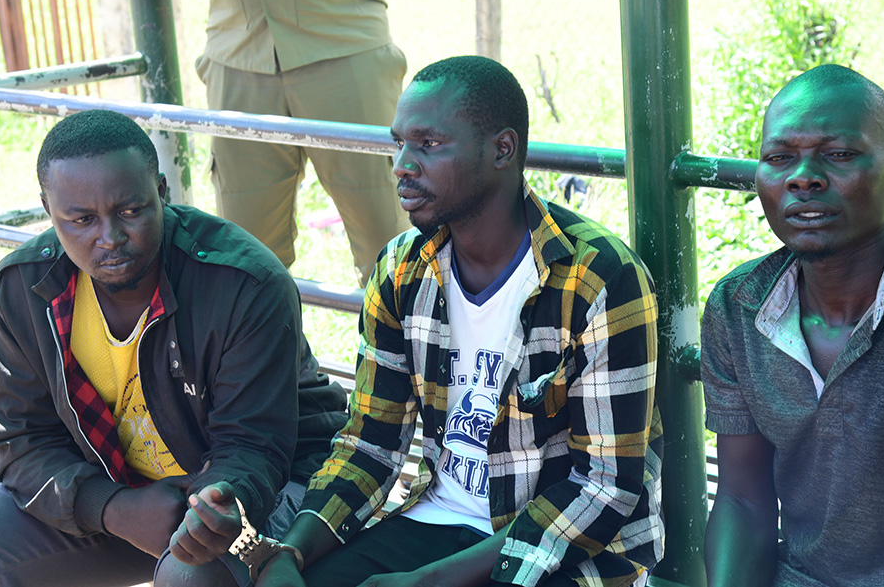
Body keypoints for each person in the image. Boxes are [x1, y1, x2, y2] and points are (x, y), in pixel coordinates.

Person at [253, 55, 665, 587]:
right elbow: (370, 444)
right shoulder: (401, 271)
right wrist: (292, 553)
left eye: (428, 145)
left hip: (568, 549)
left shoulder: (598, 279)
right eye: (399, 142)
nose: (402, 163)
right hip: (437, 521)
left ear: (502, 149)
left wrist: (425, 584)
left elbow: (604, 488)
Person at [0, 110, 347, 586]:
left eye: (131, 211)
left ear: (162, 190)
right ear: (48, 209)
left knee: (188, 576)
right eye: (82, 219)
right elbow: (22, 440)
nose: (110, 238)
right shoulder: (22, 291)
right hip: (124, 501)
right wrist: (112, 508)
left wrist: (215, 508)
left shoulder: (243, 283)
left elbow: (254, 447)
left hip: (259, 490)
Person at [701, 65, 884, 586]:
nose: (802, 178)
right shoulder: (738, 307)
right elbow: (742, 499)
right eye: (779, 158)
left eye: (840, 155)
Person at [189, 0, 442, 286]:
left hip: (344, 44)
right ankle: (267, 344)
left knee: (389, 242)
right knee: (244, 258)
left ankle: (400, 341)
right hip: (238, 53)